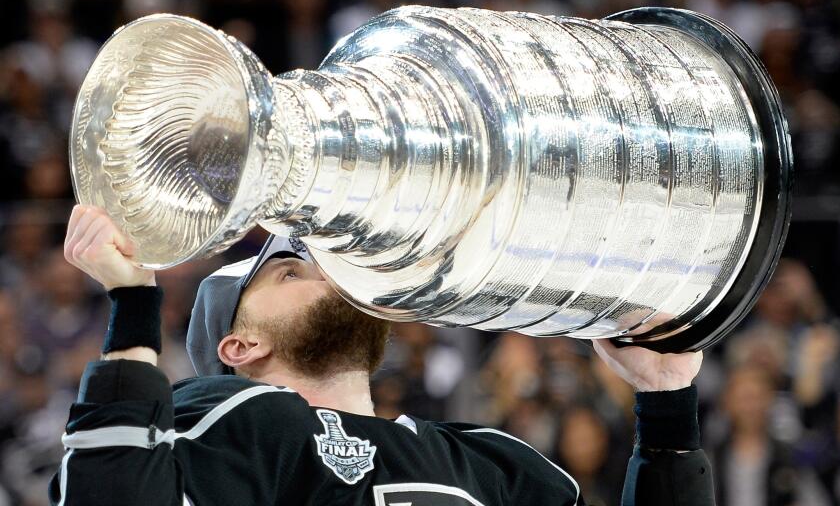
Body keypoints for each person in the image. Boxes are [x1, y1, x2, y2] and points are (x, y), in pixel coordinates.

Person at [50, 205, 714, 505]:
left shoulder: (493, 460)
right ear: (241, 345)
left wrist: (665, 409)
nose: (327, 265)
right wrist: (135, 301)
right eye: (289, 269)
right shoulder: (228, 421)